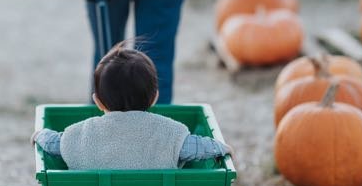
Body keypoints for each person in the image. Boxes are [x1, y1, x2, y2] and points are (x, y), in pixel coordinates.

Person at [33, 45, 230, 170]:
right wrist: (221, 148)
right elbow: (195, 147)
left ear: (98, 102)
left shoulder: (82, 134)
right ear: (154, 98)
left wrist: (39, 135)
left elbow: (55, 144)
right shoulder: (168, 134)